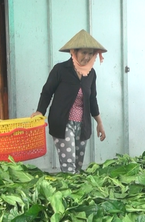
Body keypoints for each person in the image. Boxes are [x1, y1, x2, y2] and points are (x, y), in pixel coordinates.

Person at [31, 30, 107, 173]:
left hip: (82, 124)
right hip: (63, 122)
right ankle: (68, 194)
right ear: (74, 52)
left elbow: (92, 99)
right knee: (69, 165)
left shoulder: (91, 74)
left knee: (77, 166)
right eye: (84, 52)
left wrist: (99, 123)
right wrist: (40, 111)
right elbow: (47, 91)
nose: (87, 57)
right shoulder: (61, 69)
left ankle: (73, 192)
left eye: (90, 53)